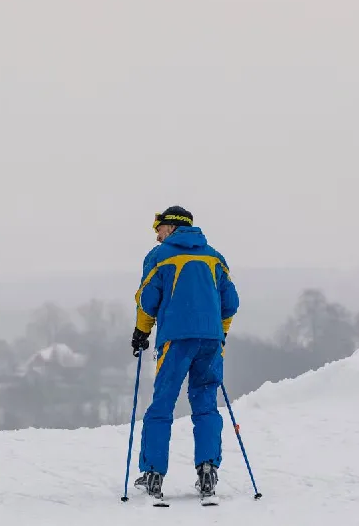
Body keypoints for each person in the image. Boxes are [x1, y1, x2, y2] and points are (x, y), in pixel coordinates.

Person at [131, 205, 239, 500]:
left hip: (176, 340)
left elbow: (146, 300)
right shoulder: (214, 257)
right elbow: (230, 303)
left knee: (162, 403)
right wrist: (220, 334)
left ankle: (153, 474)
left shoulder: (160, 256)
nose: (157, 236)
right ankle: (208, 470)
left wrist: (141, 332)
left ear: (172, 227)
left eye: (158, 229)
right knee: (206, 404)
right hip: (211, 341)